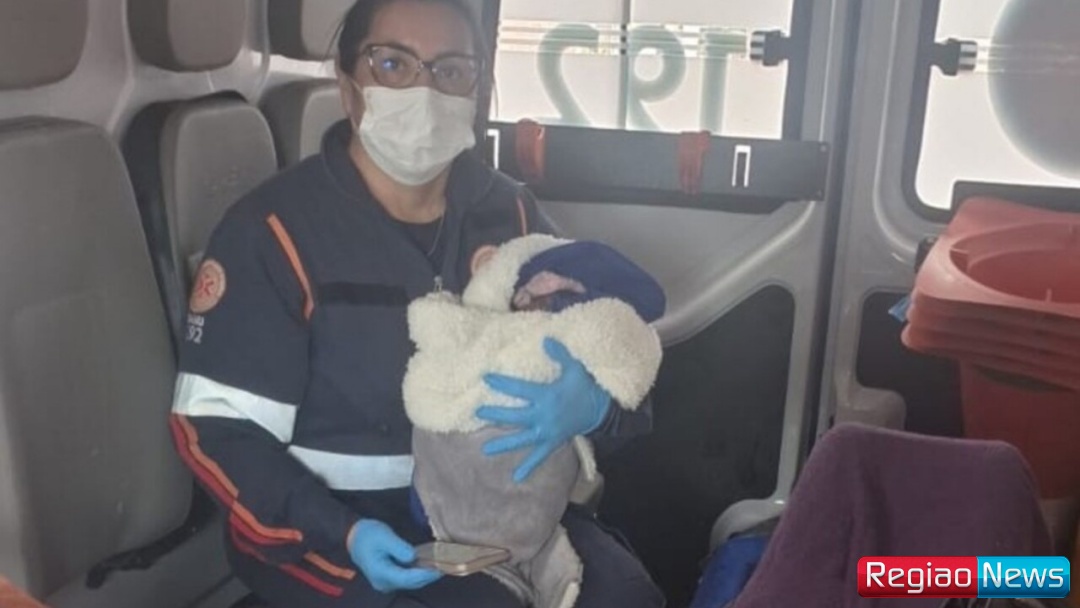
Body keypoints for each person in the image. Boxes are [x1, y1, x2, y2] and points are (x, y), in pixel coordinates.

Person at [168, 0, 666, 606]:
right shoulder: (274, 233)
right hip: (332, 530)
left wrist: (596, 409)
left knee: (627, 596)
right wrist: (342, 532)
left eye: (451, 70)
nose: (424, 91)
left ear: (476, 90)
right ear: (348, 86)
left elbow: (616, 351)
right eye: (393, 65)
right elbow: (216, 432)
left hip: (493, 509)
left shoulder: (510, 213)